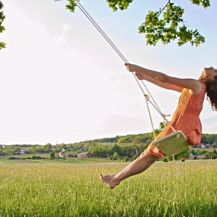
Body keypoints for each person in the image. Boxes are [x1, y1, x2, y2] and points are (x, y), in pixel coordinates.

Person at [100, 64, 217, 189]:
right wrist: (145, 77)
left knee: (149, 156)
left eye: (215, 71)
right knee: (149, 156)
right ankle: (116, 178)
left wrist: (138, 68)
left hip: (182, 125)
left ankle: (115, 179)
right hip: (184, 125)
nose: (212, 68)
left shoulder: (196, 85)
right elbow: (166, 84)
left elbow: (165, 78)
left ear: (212, 78)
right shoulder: (196, 86)